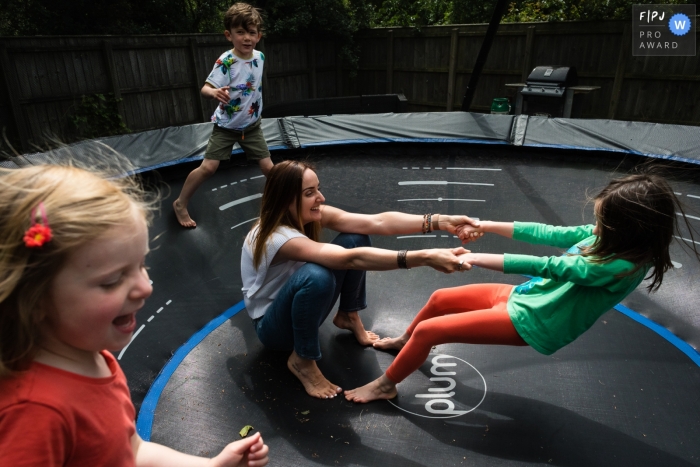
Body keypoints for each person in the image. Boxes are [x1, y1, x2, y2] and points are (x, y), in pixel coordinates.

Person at [345, 172, 700, 403]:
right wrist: (485, 224)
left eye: (602, 221)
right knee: (440, 299)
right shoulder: (604, 237)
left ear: (629, 229)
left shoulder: (621, 266)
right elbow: (549, 234)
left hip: (536, 321)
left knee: (430, 330)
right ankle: (404, 344)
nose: (594, 225)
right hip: (529, 296)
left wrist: (474, 257)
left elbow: (552, 266)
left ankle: (385, 386)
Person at [0, 164, 269, 467]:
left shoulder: (94, 358)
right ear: (33, 298)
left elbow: (129, 449)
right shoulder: (34, 413)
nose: (145, 287)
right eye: (113, 280)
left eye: (141, 265)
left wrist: (209, 465)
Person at [241, 160, 482, 400]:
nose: (321, 198)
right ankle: (302, 360)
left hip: (297, 310)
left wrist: (439, 221)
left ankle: (348, 315)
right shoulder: (277, 238)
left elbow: (376, 222)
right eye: (309, 193)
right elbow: (350, 259)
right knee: (317, 276)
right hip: (274, 329)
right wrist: (425, 257)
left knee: (356, 236)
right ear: (285, 200)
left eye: (318, 189)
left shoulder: (304, 216)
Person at [174, 3, 273, 228]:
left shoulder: (260, 57)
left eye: (252, 33)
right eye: (240, 32)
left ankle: (285, 202)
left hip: (252, 126)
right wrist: (215, 92)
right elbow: (205, 89)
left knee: (270, 169)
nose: (247, 38)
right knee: (209, 168)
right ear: (229, 35)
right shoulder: (226, 62)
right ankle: (180, 203)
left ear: (259, 35)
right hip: (226, 127)